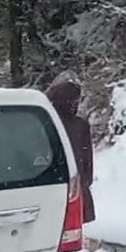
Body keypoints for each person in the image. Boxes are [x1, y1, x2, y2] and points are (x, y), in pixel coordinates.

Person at [45, 76, 96, 223]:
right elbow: (87, 160)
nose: (77, 104)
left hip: (51, 184)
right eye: (75, 100)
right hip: (76, 184)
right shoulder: (80, 126)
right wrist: (85, 182)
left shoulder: (46, 121)